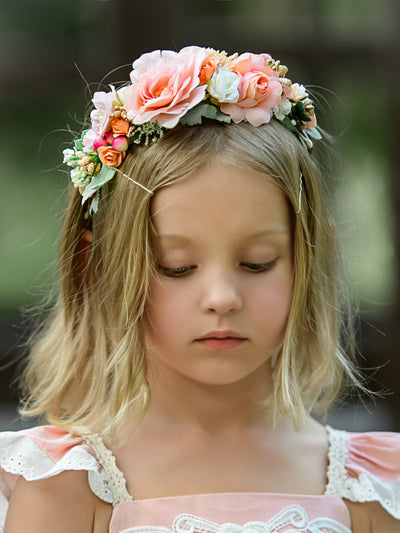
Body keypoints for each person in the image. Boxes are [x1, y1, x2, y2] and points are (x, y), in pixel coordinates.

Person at [0, 46, 399, 533]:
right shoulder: (66, 483)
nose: (222, 298)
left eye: (257, 263)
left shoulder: (372, 485)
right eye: (177, 267)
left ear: (310, 260)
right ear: (96, 264)